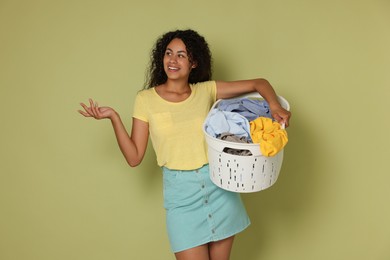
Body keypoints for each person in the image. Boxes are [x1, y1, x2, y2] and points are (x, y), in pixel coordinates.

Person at [78, 29, 291, 260]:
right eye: (169, 53)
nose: (173, 59)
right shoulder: (145, 100)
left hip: (219, 188)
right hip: (181, 198)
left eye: (181, 55)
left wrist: (275, 106)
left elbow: (259, 83)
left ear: (193, 63)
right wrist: (114, 118)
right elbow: (134, 157)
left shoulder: (206, 90)